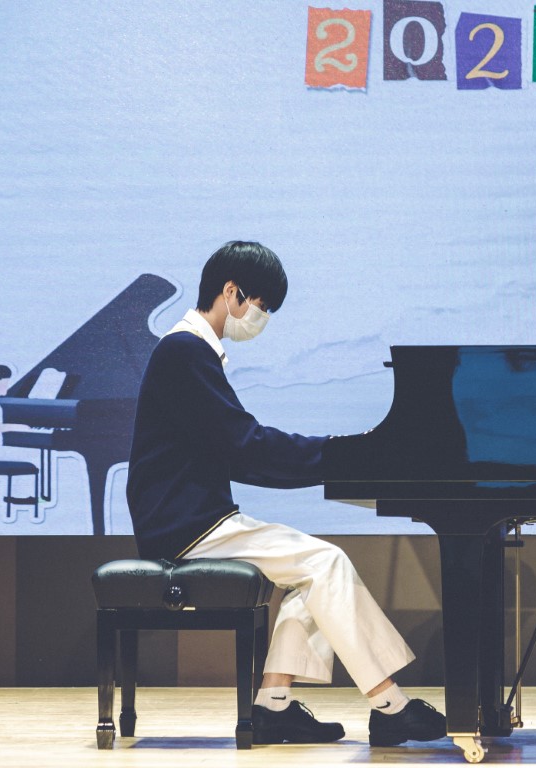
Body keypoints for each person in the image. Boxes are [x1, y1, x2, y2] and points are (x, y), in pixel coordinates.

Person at [126, 241, 446, 746]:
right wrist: (339, 454)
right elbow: (245, 447)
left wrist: (332, 458)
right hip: (186, 528)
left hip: (195, 519)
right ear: (231, 292)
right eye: (262, 305)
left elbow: (239, 446)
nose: (263, 318)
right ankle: (389, 705)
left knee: (313, 571)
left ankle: (273, 706)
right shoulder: (184, 350)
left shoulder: (190, 351)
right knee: (326, 562)